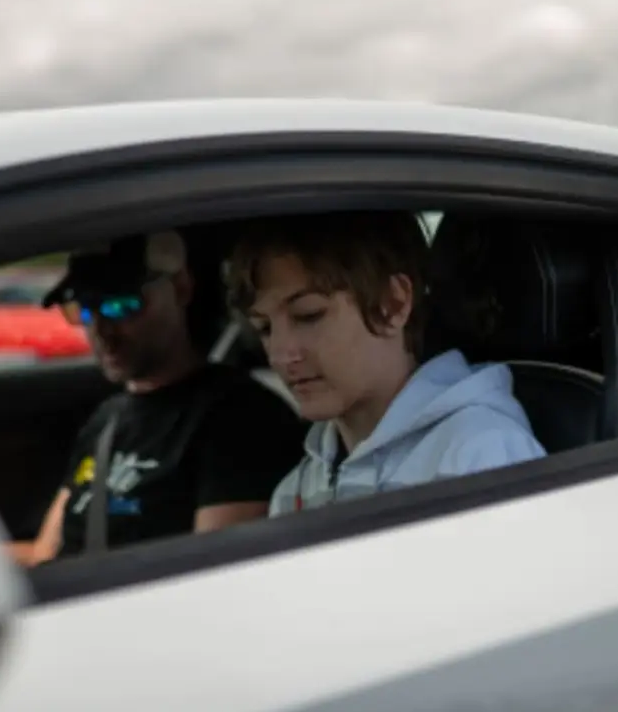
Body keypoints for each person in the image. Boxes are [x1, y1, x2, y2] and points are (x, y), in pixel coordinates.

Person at [6, 229, 306, 566]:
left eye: (121, 305)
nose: (102, 330)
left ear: (181, 288)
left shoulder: (241, 418)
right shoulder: (106, 419)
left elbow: (213, 573)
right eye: (85, 310)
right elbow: (43, 554)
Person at [225, 210, 546, 516]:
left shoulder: (479, 454)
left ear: (392, 304)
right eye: (264, 328)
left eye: (308, 315)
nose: (280, 355)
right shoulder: (294, 491)